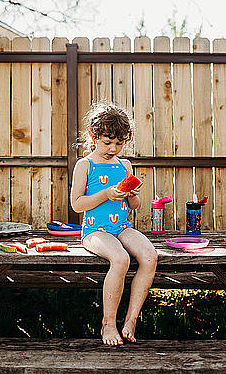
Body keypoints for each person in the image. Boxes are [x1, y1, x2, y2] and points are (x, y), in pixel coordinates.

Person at [70, 102, 158, 346]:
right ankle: (108, 323)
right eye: (107, 142)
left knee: (150, 256)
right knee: (121, 259)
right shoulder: (85, 165)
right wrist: (106, 194)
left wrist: (133, 194)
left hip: (121, 227)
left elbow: (135, 206)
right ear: (93, 137)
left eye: (119, 143)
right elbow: (77, 204)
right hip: (94, 231)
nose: (113, 148)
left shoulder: (125, 165)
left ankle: (131, 320)